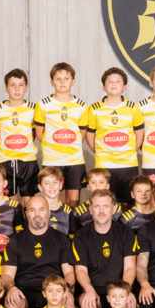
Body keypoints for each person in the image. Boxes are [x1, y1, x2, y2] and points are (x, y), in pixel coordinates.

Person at [72, 190, 137, 308]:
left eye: (106, 206)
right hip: (92, 289)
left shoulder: (126, 232)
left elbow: (130, 267)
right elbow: (80, 270)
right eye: (97, 206)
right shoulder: (81, 235)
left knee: (130, 303)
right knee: (88, 306)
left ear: (113, 209)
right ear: (90, 209)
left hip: (118, 288)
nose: (101, 211)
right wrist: (89, 290)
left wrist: (125, 290)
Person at [2, 195, 75, 308]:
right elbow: (6, 276)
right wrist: (11, 288)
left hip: (52, 290)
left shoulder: (61, 239)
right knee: (11, 301)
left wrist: (65, 288)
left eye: (41, 210)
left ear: (48, 213)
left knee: (68, 299)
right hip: (24, 292)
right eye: (32, 210)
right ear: (26, 214)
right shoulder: (15, 241)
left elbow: (70, 274)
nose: (37, 214)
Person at [84, 67, 144, 206]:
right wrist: (100, 152)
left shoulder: (133, 108)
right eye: (110, 81)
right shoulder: (94, 108)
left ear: (124, 87)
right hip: (105, 164)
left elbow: (139, 133)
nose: (114, 84)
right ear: (104, 87)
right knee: (107, 203)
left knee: (129, 204)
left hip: (128, 164)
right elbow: (90, 135)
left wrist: (131, 151)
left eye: (118, 81)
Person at [34, 62, 89, 206]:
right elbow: (40, 134)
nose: (62, 82)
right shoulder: (43, 104)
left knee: (73, 201)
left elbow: (82, 134)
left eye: (66, 78)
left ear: (73, 81)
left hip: (74, 160)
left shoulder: (82, 106)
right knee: (53, 201)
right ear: (52, 82)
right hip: (52, 161)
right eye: (58, 79)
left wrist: (68, 144)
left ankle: (71, 223)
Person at [0, 68, 40, 202]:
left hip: (28, 161)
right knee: (10, 203)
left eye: (21, 85)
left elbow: (34, 133)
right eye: (13, 85)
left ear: (26, 88)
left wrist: (22, 145)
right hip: (6, 161)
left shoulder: (34, 109)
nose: (17, 89)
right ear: (6, 88)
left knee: (28, 202)